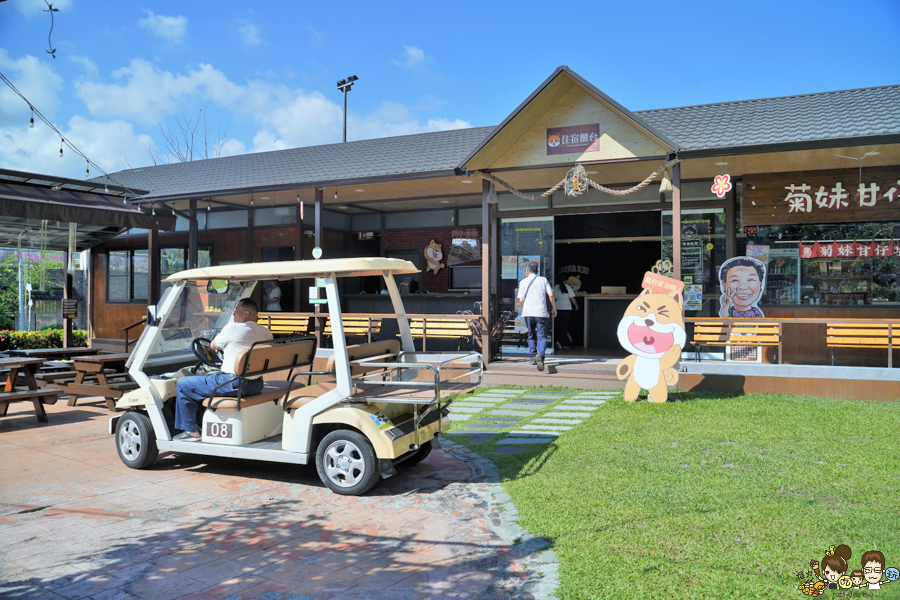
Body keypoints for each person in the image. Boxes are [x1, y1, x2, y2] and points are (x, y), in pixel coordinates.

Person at [173, 298, 273, 440]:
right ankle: (203, 420)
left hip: (233, 383)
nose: (233, 315)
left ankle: (191, 431)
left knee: (183, 384)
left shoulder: (232, 328)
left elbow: (213, 346)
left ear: (246, 314)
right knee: (204, 383)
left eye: (235, 312)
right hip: (256, 384)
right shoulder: (266, 332)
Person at [516, 261, 556, 372]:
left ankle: (532, 357)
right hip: (541, 313)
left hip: (528, 313)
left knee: (531, 334)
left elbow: (521, 299)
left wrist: (526, 308)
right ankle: (540, 355)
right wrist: (554, 308)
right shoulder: (543, 280)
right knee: (542, 336)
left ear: (526, 271)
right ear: (537, 271)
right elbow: (551, 294)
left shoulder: (523, 282)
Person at [553, 280, 578, 349]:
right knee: (565, 326)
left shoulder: (555, 287)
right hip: (567, 308)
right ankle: (562, 342)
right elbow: (572, 298)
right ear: (565, 281)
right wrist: (576, 305)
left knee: (558, 326)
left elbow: (553, 297)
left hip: (558, 307)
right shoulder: (568, 287)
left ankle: (557, 341)